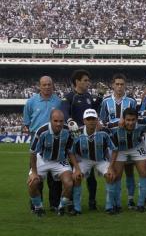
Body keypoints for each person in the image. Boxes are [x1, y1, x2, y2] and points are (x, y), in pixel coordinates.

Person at [61, 69, 105, 210]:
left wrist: (100, 96)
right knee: (75, 172)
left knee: (91, 174)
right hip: (74, 140)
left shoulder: (87, 96)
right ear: (77, 82)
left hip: (89, 139)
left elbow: (94, 110)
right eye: (85, 80)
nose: (88, 83)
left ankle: (92, 201)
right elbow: (65, 112)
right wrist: (70, 122)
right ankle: (72, 202)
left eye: (88, 80)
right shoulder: (69, 97)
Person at [23, 76, 62, 212]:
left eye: (49, 84)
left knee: (55, 179)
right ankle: (36, 204)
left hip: (55, 145)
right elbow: (27, 123)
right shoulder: (31, 102)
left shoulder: (58, 102)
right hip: (37, 145)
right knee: (36, 176)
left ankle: (54, 204)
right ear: (39, 86)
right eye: (44, 85)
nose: (46, 87)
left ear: (53, 86)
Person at [100, 74, 138, 209]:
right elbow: (102, 121)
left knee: (129, 172)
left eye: (122, 84)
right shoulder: (105, 101)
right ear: (113, 85)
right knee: (115, 174)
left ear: (125, 85)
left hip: (129, 142)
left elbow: (135, 121)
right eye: (117, 84)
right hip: (113, 143)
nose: (120, 86)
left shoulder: (131, 101)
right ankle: (115, 202)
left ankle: (131, 199)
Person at [69, 109, 118, 215]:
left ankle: (109, 206)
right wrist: (77, 169)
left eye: (93, 119)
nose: (91, 121)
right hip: (84, 160)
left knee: (111, 175)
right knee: (76, 177)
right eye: (88, 119)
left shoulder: (105, 131)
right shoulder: (77, 133)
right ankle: (77, 208)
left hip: (101, 160)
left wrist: (110, 167)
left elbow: (115, 149)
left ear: (97, 120)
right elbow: (71, 152)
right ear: (84, 121)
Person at [27, 109, 74, 217]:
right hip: (43, 160)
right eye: (56, 121)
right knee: (32, 183)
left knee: (69, 183)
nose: (59, 124)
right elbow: (33, 153)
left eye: (61, 121)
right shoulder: (41, 131)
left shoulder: (68, 131)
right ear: (50, 120)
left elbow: (70, 151)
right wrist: (34, 172)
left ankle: (61, 207)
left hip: (60, 161)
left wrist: (77, 168)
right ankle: (38, 208)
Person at [110, 107, 146, 213]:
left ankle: (141, 203)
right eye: (128, 120)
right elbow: (101, 127)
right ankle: (116, 204)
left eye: (133, 120)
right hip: (120, 149)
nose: (130, 122)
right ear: (123, 119)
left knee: (144, 172)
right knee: (117, 175)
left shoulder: (143, 123)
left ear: (137, 119)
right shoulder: (114, 126)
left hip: (136, 147)